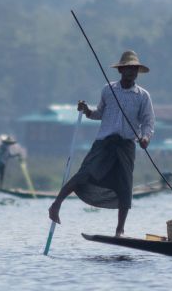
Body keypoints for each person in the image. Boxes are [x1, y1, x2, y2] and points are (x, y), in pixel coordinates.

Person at [48, 50, 155, 237]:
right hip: (104, 143)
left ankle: (120, 230)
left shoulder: (143, 96)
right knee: (84, 174)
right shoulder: (108, 90)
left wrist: (145, 138)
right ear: (120, 70)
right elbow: (99, 113)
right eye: (128, 68)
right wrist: (86, 110)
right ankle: (56, 205)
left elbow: (148, 122)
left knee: (125, 186)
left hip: (126, 145)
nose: (132, 72)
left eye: (135, 69)